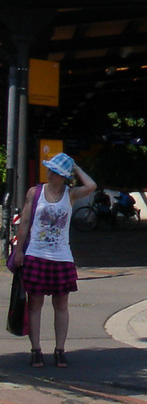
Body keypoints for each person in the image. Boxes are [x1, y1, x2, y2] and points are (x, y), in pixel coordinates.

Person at [9, 154, 95, 368]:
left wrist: (76, 167)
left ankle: (60, 350)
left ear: (63, 176)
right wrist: (19, 250)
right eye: (49, 169)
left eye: (54, 171)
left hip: (62, 256)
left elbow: (92, 185)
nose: (49, 173)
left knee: (61, 305)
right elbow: (26, 221)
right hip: (36, 254)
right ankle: (36, 350)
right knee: (35, 304)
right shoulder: (35, 192)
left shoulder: (71, 194)